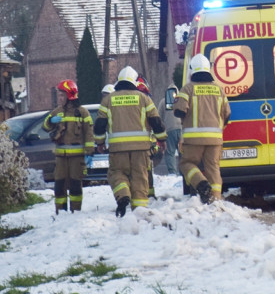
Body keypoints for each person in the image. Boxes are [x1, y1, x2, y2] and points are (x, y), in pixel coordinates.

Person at [93, 66, 166, 217]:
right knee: (140, 177)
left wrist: (100, 143)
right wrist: (162, 139)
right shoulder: (144, 99)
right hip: (141, 150)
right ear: (134, 81)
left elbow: (99, 125)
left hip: (117, 150)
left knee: (117, 173)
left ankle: (123, 195)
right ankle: (139, 213)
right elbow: (156, 122)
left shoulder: (108, 100)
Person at [172, 54, 230, 204]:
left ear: (192, 71)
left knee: (186, 164)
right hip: (215, 139)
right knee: (213, 167)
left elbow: (179, 111)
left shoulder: (188, 89)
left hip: (193, 139)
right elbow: (227, 114)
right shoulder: (219, 90)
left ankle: (201, 184)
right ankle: (215, 199)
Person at [43, 79, 94, 213]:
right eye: (59, 95)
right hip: (61, 157)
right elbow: (45, 127)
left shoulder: (83, 112)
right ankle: (60, 211)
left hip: (77, 157)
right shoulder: (56, 112)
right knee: (59, 185)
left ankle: (75, 211)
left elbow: (89, 133)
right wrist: (50, 121)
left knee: (75, 185)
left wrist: (89, 152)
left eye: (62, 95)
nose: (60, 98)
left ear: (70, 95)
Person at [162, 83, 182, 176]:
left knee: (170, 152)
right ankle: (184, 171)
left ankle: (172, 173)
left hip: (169, 129)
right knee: (183, 151)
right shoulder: (182, 100)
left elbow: (158, 117)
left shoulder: (163, 102)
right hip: (182, 129)